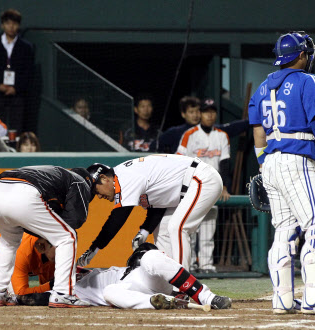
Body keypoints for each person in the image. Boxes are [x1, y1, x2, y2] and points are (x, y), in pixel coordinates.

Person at [249, 32, 315, 315]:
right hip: (297, 159)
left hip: (270, 162)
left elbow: (257, 130)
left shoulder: (263, 85)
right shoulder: (307, 81)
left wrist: (263, 163)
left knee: (284, 231)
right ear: (302, 55)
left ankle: (281, 299)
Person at [78, 154, 223, 271]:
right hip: (186, 188)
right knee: (163, 231)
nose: (99, 196)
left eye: (96, 191)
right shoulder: (126, 177)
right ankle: (171, 282)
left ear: (104, 178)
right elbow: (158, 206)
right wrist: (145, 230)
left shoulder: (124, 176)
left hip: (201, 178)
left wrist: (95, 247)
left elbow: (118, 217)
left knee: (177, 227)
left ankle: (183, 286)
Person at [0, 165, 94, 308]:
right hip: (22, 193)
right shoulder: (80, 181)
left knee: (8, 241)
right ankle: (62, 293)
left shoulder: (54, 172)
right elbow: (75, 220)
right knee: (67, 237)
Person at [17, 243, 231, 310]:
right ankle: (160, 302)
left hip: (137, 277)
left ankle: (207, 297)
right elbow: (33, 297)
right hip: (127, 293)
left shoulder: (86, 271)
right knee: (110, 292)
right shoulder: (64, 291)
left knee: (150, 256)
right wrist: (17, 297)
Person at [176, 99, 232, 272]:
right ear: (200, 114)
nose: (210, 115)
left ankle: (206, 265)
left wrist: (224, 187)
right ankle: (190, 265)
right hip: (193, 187)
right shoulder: (189, 134)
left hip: (213, 188)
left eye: (212, 111)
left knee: (208, 230)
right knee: (190, 230)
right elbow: (179, 160)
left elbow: (225, 163)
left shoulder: (222, 135)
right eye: (206, 111)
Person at [0, 9, 34, 133]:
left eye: (14, 23)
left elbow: (29, 72)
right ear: (2, 25)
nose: (11, 26)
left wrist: (16, 88)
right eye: (8, 23)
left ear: (19, 26)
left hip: (18, 96)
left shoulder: (26, 47)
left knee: (17, 128)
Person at [157, 96, 250, 154]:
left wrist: (252, 120)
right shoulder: (174, 132)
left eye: (198, 111)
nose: (195, 115)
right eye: (191, 112)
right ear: (183, 114)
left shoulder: (212, 130)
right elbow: (155, 146)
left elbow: (232, 128)